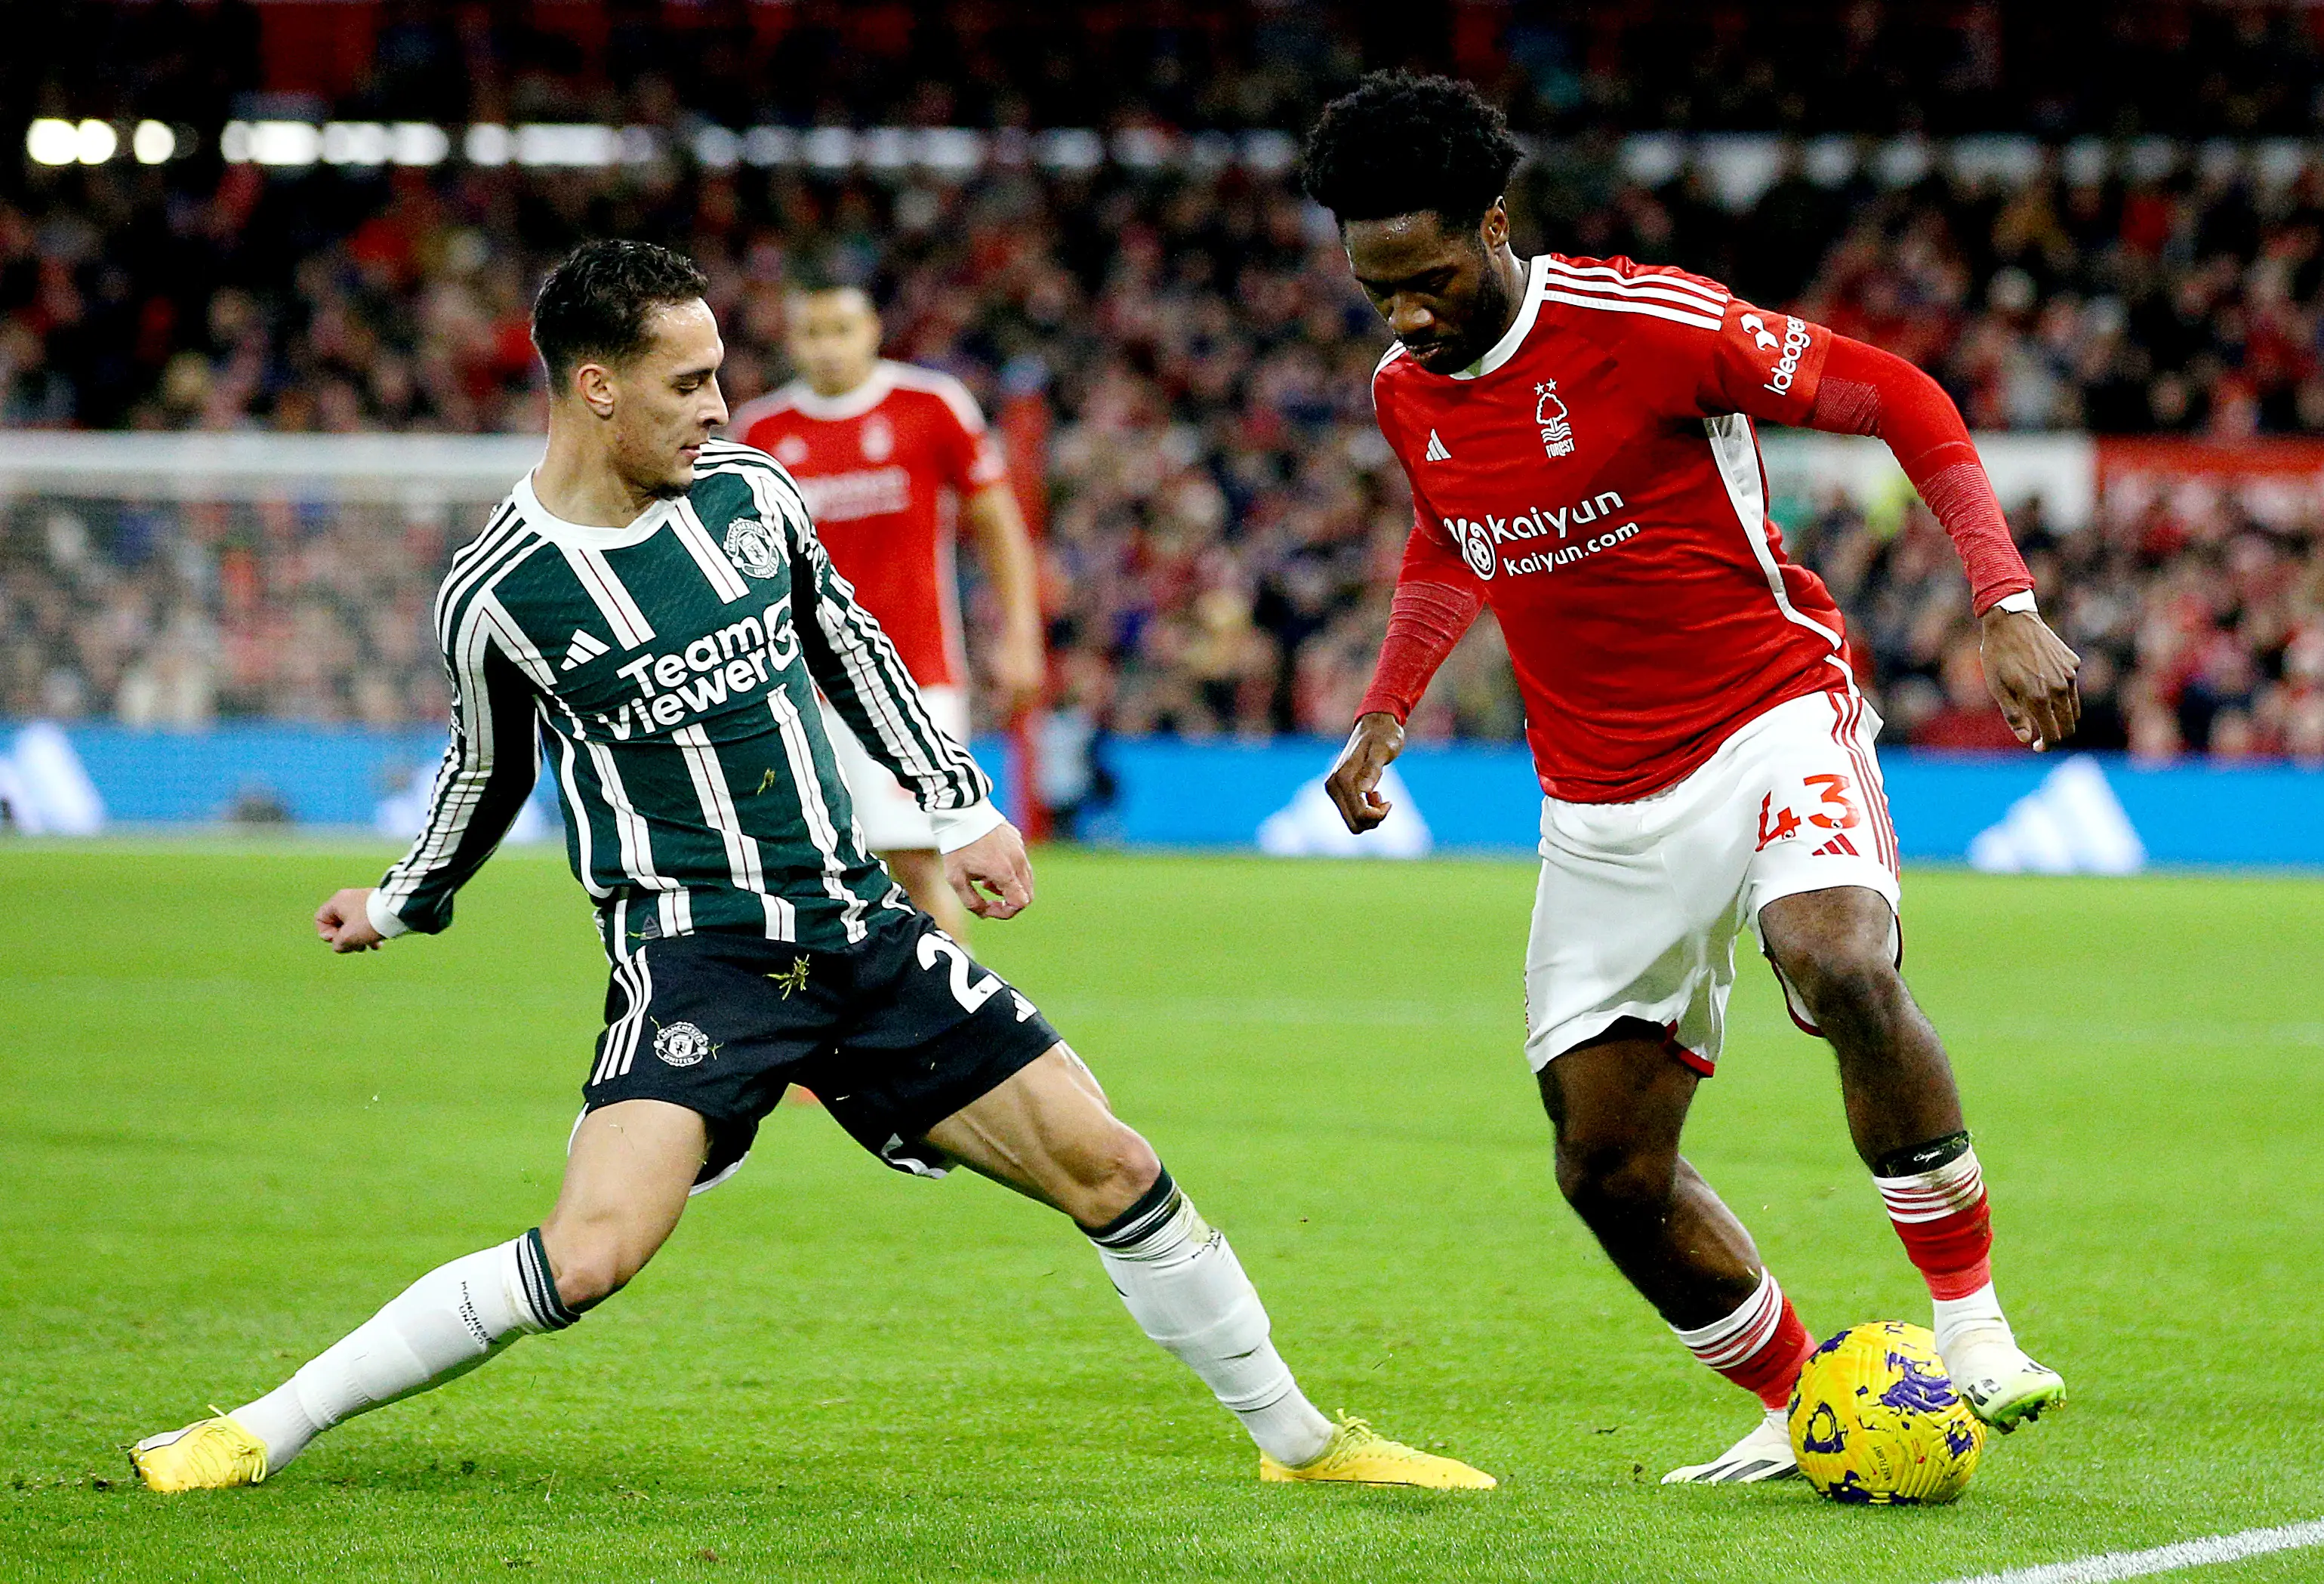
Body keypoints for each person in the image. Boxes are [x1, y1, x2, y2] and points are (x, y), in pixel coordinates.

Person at [129, 239, 1492, 1495]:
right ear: (596, 388)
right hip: (697, 956)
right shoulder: (500, 592)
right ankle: (260, 1425)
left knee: (1113, 1164)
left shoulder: (752, 497)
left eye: (722, 372)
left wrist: (960, 805)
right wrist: (399, 900)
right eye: (692, 381)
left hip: (855, 923)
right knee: (592, 1251)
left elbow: (856, 653)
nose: (723, 405)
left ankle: (1301, 1445)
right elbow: (488, 771)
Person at [1303, 74, 2076, 1485]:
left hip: (1766, 711)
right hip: (1598, 799)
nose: (1405, 315)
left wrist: (2002, 597)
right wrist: (1385, 707)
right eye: (1375, 291)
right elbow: (1444, 536)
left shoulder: (1645, 323)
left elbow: (1899, 395)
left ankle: (1970, 1325)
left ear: (1491, 224)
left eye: (1424, 279)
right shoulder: (1405, 390)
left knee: (1835, 957)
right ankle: (1800, 1400)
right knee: (1604, 1167)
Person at [729, 284, 1043, 939]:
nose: (829, 347)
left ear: (873, 329)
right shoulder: (760, 430)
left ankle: (950, 1025)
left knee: (916, 861)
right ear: (791, 340)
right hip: (797, 685)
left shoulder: (929, 405)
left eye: (842, 329)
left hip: (914, 672)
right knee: (809, 871)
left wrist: (1020, 632)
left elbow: (996, 522)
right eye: (813, 332)